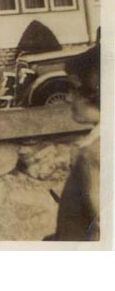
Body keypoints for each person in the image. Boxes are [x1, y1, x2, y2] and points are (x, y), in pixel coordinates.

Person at [54, 44, 100, 241]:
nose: (68, 98)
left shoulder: (94, 153)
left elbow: (102, 231)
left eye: (74, 89)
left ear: (95, 92)